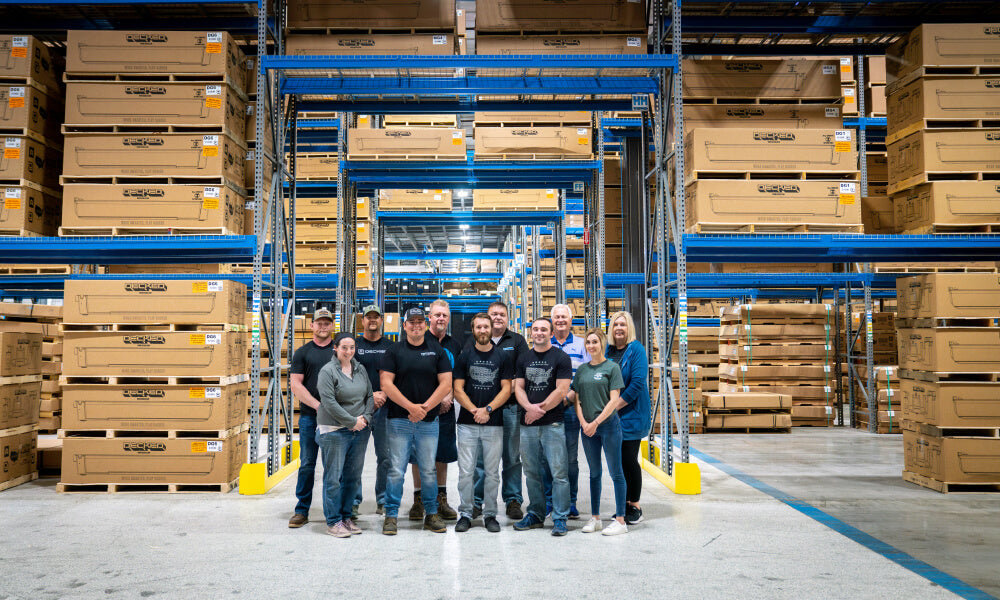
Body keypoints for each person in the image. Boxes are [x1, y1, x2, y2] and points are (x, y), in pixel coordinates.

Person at [380, 307, 453, 535]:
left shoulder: (437, 350)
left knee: (429, 470)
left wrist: (424, 409)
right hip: (399, 420)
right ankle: (391, 516)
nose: (416, 325)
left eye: (420, 321)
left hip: (428, 422)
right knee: (396, 470)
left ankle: (431, 514)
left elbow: (446, 384)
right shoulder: (394, 351)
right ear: (404, 325)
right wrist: (410, 407)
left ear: (426, 322)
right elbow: (386, 384)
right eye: (411, 321)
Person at [452, 313, 514, 533]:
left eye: (486, 326)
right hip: (467, 423)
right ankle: (466, 513)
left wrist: (487, 410)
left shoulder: (502, 357)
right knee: (466, 471)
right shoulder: (464, 356)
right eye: (478, 327)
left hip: (493, 422)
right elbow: (457, 389)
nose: (483, 330)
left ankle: (490, 515)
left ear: (491, 329)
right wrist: (473, 410)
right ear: (474, 329)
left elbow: (507, 388)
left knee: (492, 472)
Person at [469, 301, 529, 521]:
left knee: (512, 456)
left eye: (502, 314)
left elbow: (521, 376)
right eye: (493, 314)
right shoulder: (475, 340)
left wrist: (501, 392)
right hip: (483, 412)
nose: (497, 317)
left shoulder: (517, 341)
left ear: (507, 317)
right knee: (481, 458)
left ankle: (513, 500)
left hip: (510, 409)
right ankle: (477, 501)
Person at [513, 318, 573, 536]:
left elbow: (562, 389)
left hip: (552, 423)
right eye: (535, 329)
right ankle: (536, 514)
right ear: (531, 333)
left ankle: (560, 517)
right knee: (531, 472)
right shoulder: (523, 358)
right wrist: (528, 407)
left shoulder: (561, 357)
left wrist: (539, 410)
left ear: (551, 333)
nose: (539, 333)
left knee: (559, 472)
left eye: (543, 330)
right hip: (528, 424)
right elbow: (518, 387)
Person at [315, 333, 375, 537]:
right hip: (334, 431)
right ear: (335, 348)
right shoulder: (327, 371)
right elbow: (329, 403)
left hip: (359, 430)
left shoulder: (360, 369)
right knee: (333, 478)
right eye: (344, 348)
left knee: (352, 477)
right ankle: (333, 521)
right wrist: (352, 422)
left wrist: (365, 418)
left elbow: (369, 394)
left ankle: (346, 517)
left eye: (352, 348)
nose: (348, 352)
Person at [407, 299, 461, 521]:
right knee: (419, 457)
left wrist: (448, 397)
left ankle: (441, 499)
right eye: (437, 315)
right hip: (421, 411)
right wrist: (429, 403)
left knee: (442, 456)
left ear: (448, 319)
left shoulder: (454, 345)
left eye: (444, 316)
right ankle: (418, 500)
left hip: (446, 411)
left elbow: (458, 377)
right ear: (430, 317)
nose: (440, 319)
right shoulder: (419, 339)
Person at [570, 328, 628, 536]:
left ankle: (620, 520)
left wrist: (595, 422)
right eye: (588, 342)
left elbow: (614, 400)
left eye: (595, 342)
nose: (591, 346)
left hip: (608, 426)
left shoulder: (612, 368)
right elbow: (577, 399)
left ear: (602, 344)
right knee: (594, 473)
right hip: (587, 429)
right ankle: (595, 518)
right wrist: (584, 422)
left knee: (616, 472)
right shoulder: (583, 370)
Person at [287, 307, 335, 528]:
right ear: (312, 325)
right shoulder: (303, 352)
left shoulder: (338, 351)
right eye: (320, 322)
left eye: (327, 322)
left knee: (332, 466)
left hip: (334, 420)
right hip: (309, 418)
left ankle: (332, 511)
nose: (323, 326)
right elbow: (295, 384)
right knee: (307, 463)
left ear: (332, 325)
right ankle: (302, 509)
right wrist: (317, 405)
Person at [543, 303, 588, 520]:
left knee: (570, 458)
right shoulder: (544, 343)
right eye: (557, 317)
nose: (560, 320)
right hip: (546, 410)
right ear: (552, 321)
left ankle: (570, 502)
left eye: (564, 317)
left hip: (570, 409)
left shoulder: (582, 345)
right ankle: (549, 501)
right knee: (546, 457)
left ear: (571, 320)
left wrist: (570, 397)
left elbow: (586, 376)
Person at [606, 311, 651, 525]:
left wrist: (613, 407)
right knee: (618, 462)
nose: (619, 328)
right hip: (613, 415)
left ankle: (635, 506)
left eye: (623, 324)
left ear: (629, 328)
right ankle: (622, 504)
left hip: (631, 414)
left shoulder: (636, 350)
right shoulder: (609, 350)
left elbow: (636, 384)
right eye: (615, 324)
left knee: (628, 460)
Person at [354, 304, 395, 515]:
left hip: (385, 409)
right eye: (368, 317)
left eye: (375, 317)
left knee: (385, 457)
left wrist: (385, 395)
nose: (372, 320)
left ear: (381, 320)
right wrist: (369, 397)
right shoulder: (353, 346)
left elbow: (397, 376)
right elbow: (347, 377)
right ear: (362, 321)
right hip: (358, 409)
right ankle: (353, 500)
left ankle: (383, 498)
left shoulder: (391, 346)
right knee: (355, 457)